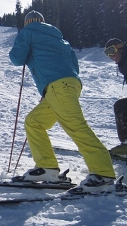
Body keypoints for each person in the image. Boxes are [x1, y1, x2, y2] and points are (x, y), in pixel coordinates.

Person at [9, 11, 118, 193]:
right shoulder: (61, 40)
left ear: (28, 22)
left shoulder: (28, 32)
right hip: (67, 85)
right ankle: (47, 169)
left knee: (76, 126)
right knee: (34, 122)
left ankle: (103, 174)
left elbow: (16, 58)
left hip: (57, 87)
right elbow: (74, 66)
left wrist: (52, 83)